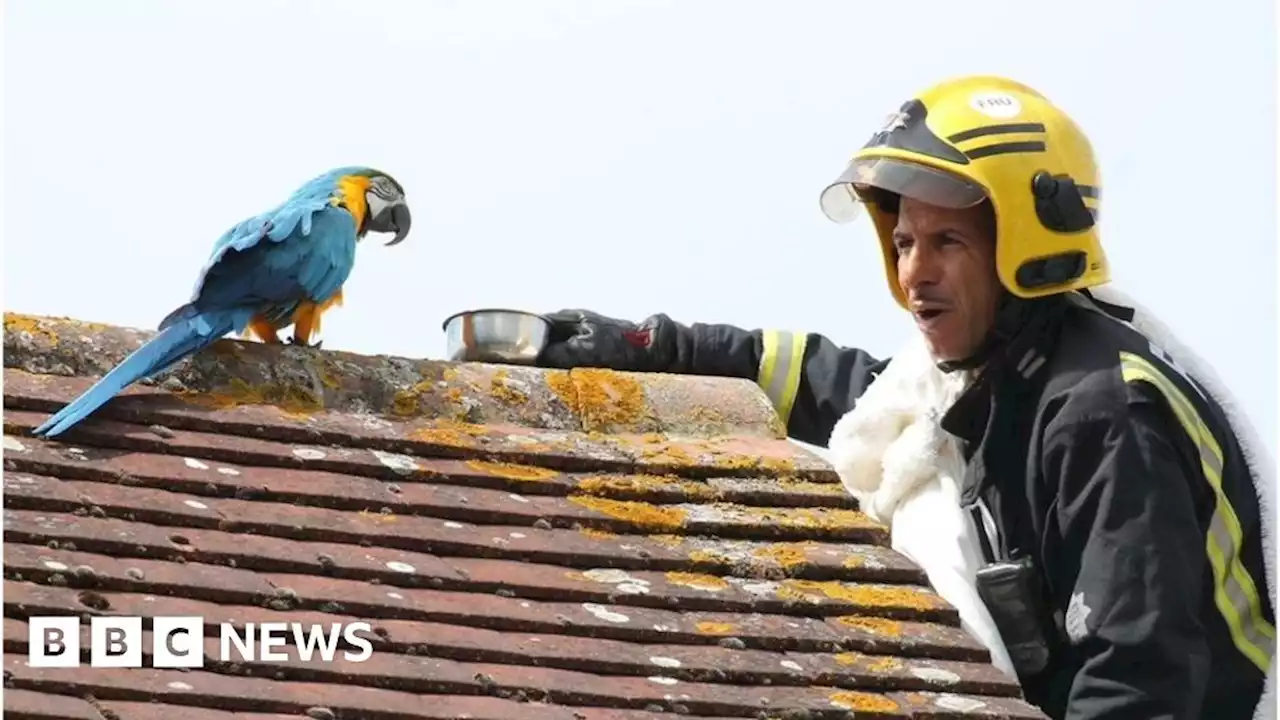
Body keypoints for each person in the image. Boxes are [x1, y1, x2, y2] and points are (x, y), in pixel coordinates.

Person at [535, 75, 1276, 719]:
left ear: (1026, 241)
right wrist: (654, 348)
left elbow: (1138, 677)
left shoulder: (1104, 413)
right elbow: (842, 390)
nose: (915, 272)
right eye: (903, 243)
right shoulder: (988, 380)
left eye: (947, 242)